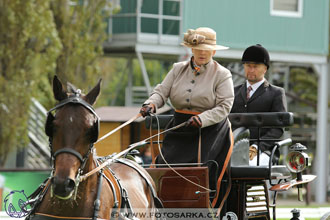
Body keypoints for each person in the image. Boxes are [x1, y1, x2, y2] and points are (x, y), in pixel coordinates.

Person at [139, 27, 234, 208]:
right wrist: (151, 104)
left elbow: (225, 106)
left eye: (207, 49)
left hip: (211, 130)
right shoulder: (177, 69)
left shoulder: (222, 74)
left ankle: (202, 209)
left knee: (200, 171)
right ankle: (164, 209)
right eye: (199, 49)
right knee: (163, 166)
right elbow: (161, 92)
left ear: (213, 51)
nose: (202, 53)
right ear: (192, 49)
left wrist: (202, 119)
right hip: (180, 126)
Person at [230, 44, 287, 166]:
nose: (250, 70)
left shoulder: (276, 93)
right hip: (233, 148)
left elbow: (278, 129)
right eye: (247, 66)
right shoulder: (232, 92)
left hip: (264, 151)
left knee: (249, 165)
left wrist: (258, 147)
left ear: (265, 69)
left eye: (255, 67)